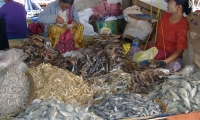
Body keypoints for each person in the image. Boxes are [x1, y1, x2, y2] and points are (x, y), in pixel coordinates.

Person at [129, 0, 191, 72]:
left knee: (174, 67)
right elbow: (157, 35)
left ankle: (154, 69)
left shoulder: (183, 25)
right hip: (156, 51)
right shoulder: (165, 16)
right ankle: (151, 67)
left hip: (170, 57)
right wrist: (149, 47)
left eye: (170, 3)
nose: (167, 5)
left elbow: (180, 50)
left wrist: (164, 62)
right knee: (133, 50)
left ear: (179, 7)